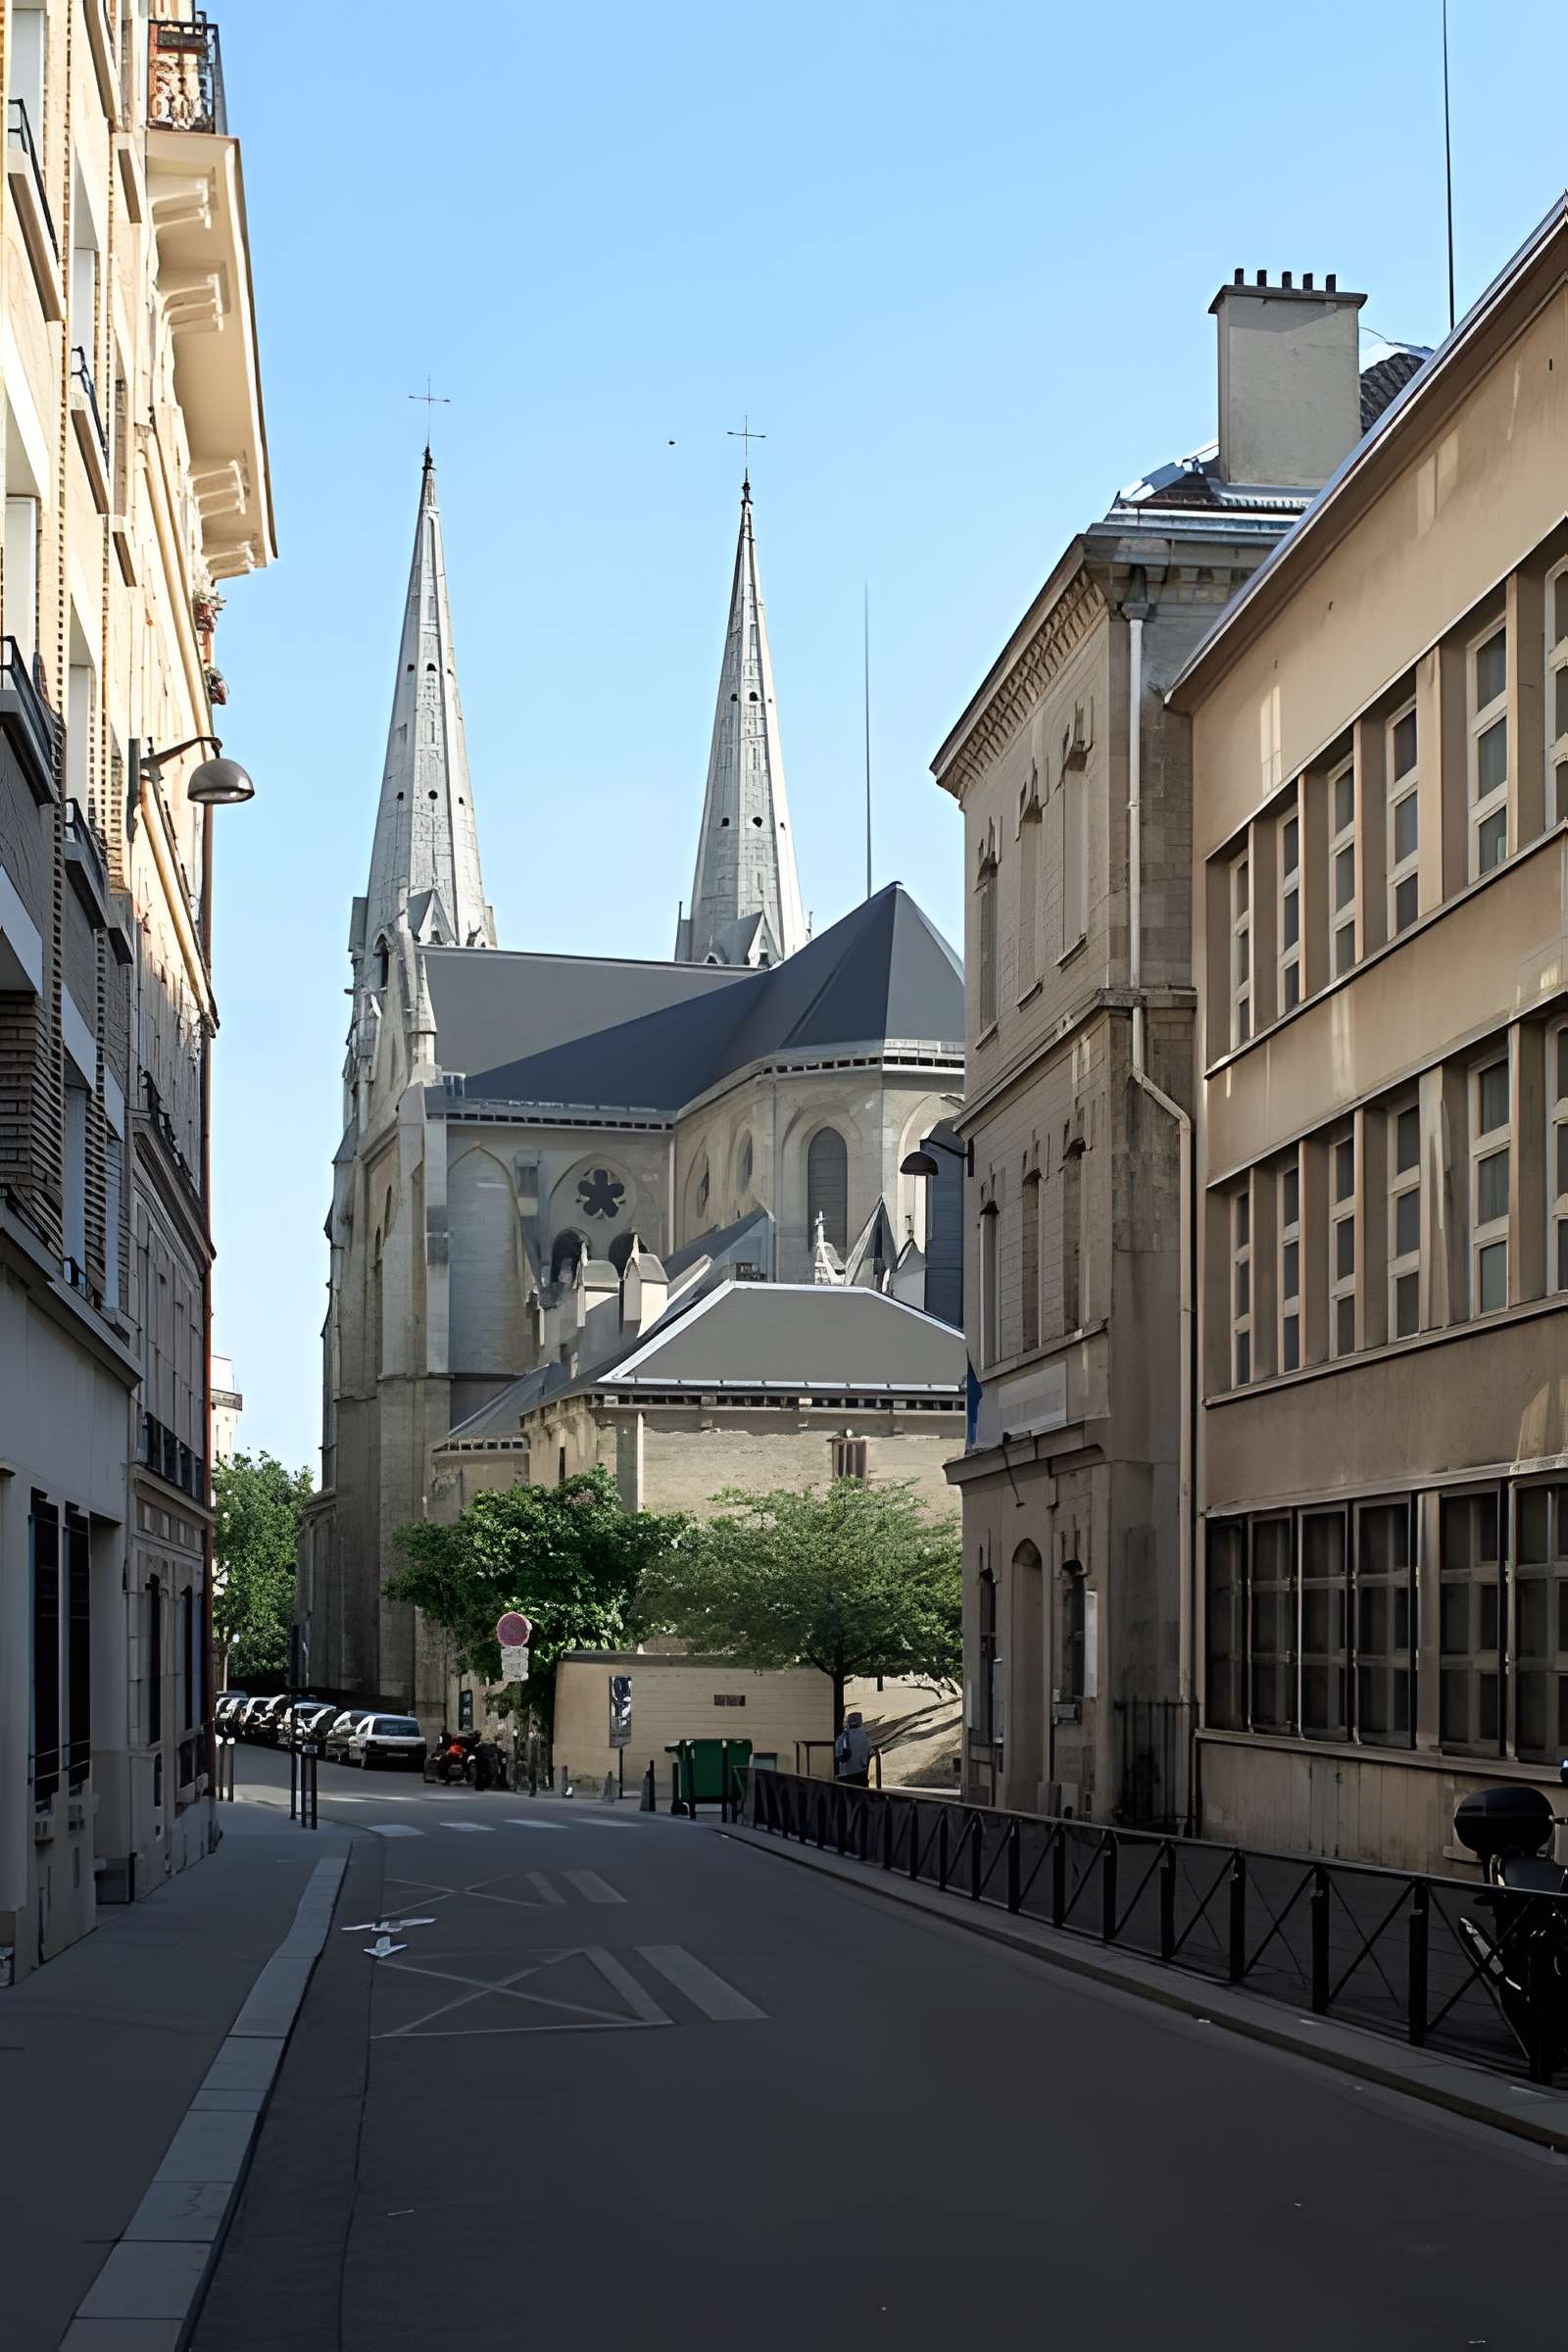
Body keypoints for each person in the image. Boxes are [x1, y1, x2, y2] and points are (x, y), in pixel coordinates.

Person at [834, 1711, 871, 1788]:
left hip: (846, 1774)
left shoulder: (844, 1736)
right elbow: (868, 1750)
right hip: (862, 1772)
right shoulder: (864, 1735)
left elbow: (837, 1753)